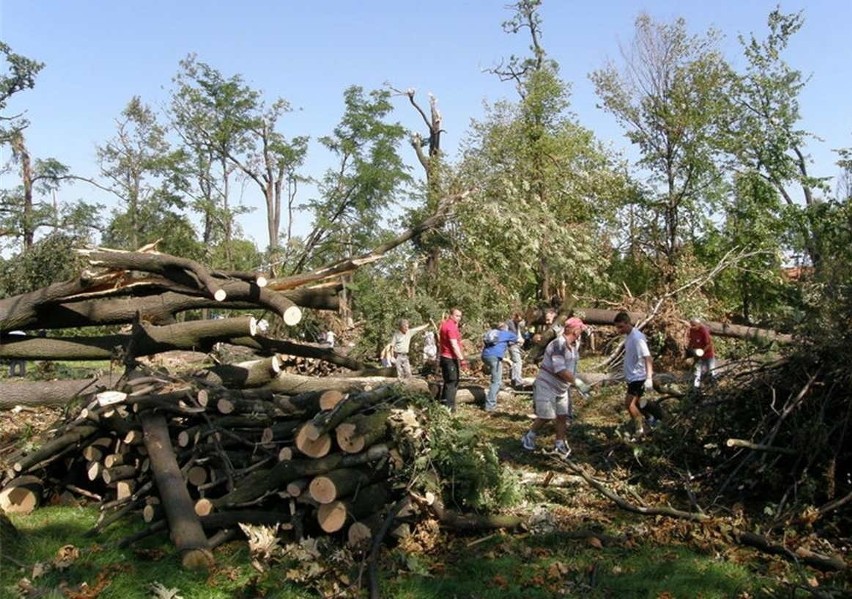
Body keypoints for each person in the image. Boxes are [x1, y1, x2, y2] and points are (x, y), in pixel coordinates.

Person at [520, 317, 590, 457]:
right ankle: (529, 436)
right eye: (580, 329)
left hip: (562, 387)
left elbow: (570, 368)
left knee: (562, 416)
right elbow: (559, 370)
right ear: (573, 330)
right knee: (546, 416)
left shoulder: (574, 345)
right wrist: (578, 383)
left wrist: (574, 383)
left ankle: (559, 443)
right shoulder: (558, 345)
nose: (581, 331)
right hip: (547, 385)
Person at [613, 311, 654, 439]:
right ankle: (651, 420)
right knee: (638, 404)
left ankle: (640, 430)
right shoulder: (629, 336)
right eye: (617, 327)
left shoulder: (637, 338)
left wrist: (649, 378)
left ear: (627, 323)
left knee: (629, 404)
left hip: (638, 377)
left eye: (621, 327)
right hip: (632, 377)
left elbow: (648, 358)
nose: (618, 330)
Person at [481, 322, 519, 413]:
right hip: (494, 358)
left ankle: (499, 388)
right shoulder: (506, 334)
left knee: (497, 376)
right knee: (496, 381)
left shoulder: (491, 333)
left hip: (485, 356)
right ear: (506, 328)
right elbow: (518, 339)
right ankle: (490, 406)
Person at [438, 307, 467, 411]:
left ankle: (443, 405)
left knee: (447, 382)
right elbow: (454, 345)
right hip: (449, 358)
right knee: (452, 382)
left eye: (460, 316)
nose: (458, 318)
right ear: (451, 315)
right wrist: (462, 359)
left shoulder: (445, 325)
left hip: (445, 357)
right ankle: (450, 408)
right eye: (456, 316)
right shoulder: (450, 327)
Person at [687, 317, 716, 388]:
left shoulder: (704, 331)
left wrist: (702, 352)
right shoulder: (692, 330)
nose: (692, 327)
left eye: (694, 325)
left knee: (711, 370)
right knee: (697, 370)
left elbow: (708, 344)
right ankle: (696, 387)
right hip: (698, 353)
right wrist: (689, 348)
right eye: (691, 325)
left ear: (699, 324)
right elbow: (691, 340)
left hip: (708, 354)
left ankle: (713, 386)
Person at [505, 312, 525, 387]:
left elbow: (518, 334)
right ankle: (518, 381)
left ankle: (513, 379)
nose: (519, 322)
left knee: (515, 363)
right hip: (512, 345)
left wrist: (521, 339)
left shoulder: (517, 325)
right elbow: (505, 334)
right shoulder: (509, 323)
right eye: (518, 320)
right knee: (518, 362)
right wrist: (516, 340)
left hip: (516, 345)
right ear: (515, 317)